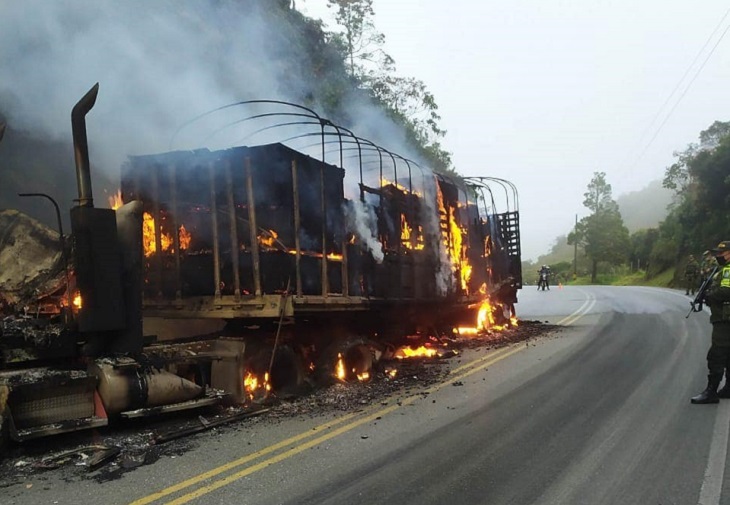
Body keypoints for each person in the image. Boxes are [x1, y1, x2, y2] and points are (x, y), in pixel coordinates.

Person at [691, 241, 730, 404]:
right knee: (728, 354)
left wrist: (709, 295)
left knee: (717, 354)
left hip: (724, 319)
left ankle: (711, 392)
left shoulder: (727, 270)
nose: (718, 256)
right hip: (725, 317)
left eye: (722, 253)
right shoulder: (723, 269)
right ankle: (728, 388)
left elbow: (726, 291)